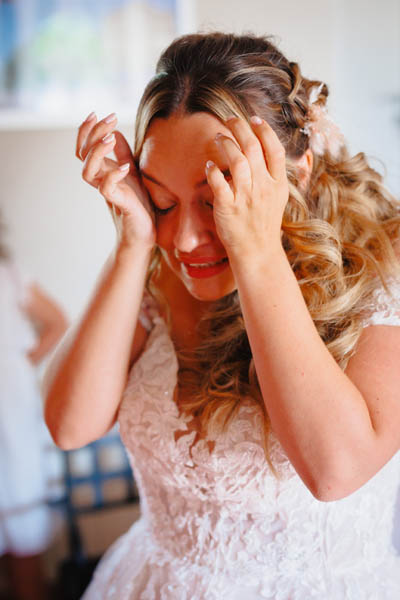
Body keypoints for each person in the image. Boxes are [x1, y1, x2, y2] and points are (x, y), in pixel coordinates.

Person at [44, 32, 400, 598]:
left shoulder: (383, 275)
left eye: (214, 199)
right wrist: (133, 244)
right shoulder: (159, 264)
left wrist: (255, 249)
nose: (183, 238)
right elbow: (69, 425)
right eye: (163, 200)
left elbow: (334, 471)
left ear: (296, 174)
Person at [0, 215, 68, 600]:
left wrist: (19, 364)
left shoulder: (9, 274)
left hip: (8, 402)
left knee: (18, 496)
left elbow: (56, 321)